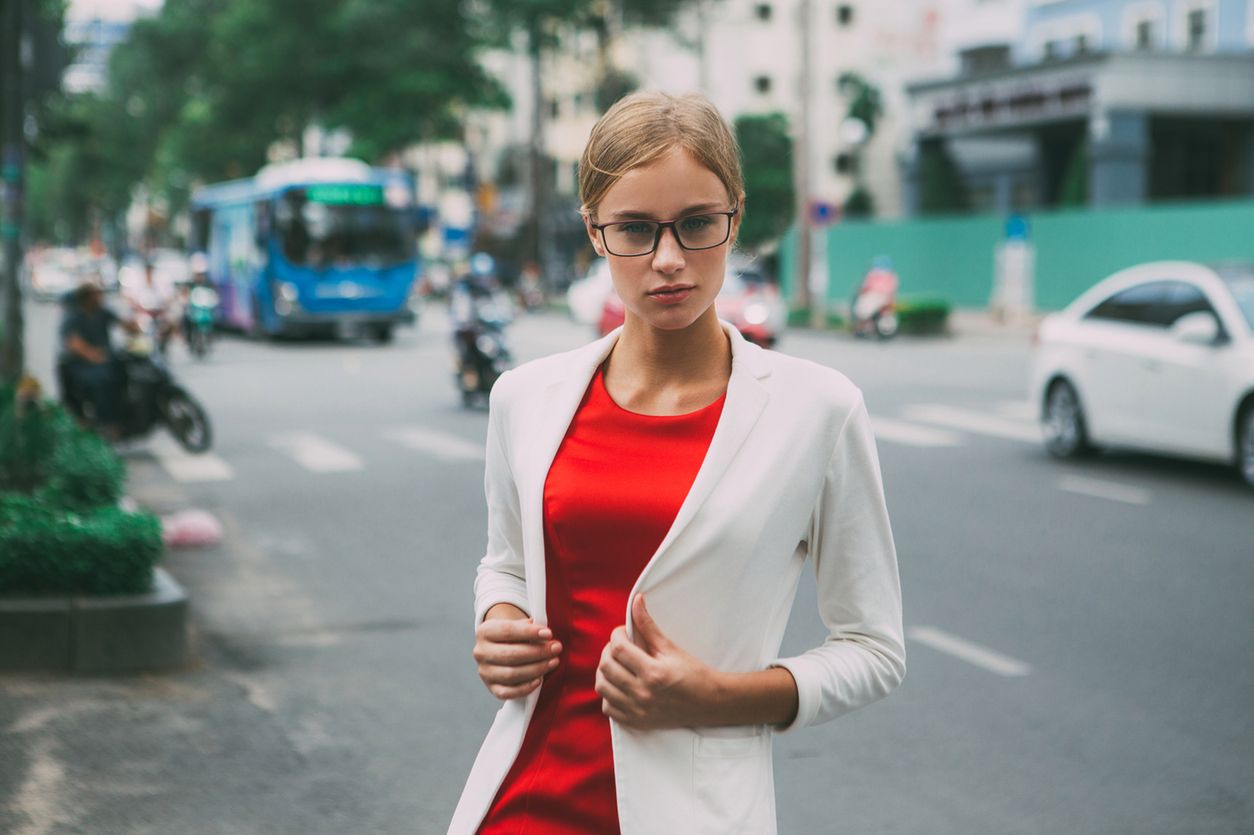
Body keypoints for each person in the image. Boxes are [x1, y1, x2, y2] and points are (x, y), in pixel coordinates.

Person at [448, 92, 904, 835]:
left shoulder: (819, 409)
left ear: (735, 216)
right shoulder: (524, 398)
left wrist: (719, 695)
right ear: (595, 230)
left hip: (698, 811)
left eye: (696, 223)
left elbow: (874, 649)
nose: (668, 260)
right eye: (634, 228)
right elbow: (507, 564)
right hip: (526, 800)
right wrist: (499, 620)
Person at [59, 281, 135, 439]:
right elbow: (74, 343)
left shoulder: (103, 312)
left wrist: (133, 326)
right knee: (103, 381)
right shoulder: (74, 316)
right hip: (80, 365)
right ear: (87, 298)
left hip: (104, 360)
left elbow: (124, 325)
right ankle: (107, 423)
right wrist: (92, 354)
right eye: (96, 295)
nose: (100, 298)